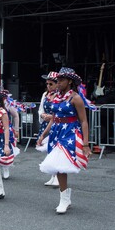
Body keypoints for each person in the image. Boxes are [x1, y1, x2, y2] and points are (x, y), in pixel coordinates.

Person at [37, 67, 92, 214]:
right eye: (57, 80)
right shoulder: (56, 97)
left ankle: (64, 200)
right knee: (58, 167)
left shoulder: (76, 98)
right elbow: (54, 119)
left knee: (61, 165)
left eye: (61, 80)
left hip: (70, 133)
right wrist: (43, 135)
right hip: (56, 132)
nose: (58, 83)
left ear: (69, 81)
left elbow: (84, 121)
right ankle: (65, 198)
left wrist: (85, 144)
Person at [36, 71, 59, 186]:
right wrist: (43, 115)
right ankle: (53, 175)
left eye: (51, 84)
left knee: (56, 151)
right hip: (46, 124)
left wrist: (52, 117)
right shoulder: (45, 95)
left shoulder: (60, 96)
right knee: (50, 151)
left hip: (57, 126)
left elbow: (61, 111)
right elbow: (40, 108)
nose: (48, 86)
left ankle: (58, 177)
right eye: (47, 84)